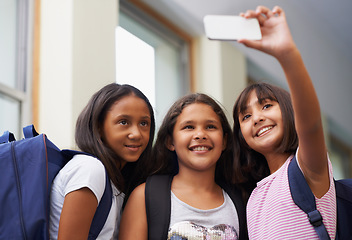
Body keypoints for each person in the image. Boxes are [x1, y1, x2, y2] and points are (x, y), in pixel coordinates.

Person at [232, 6, 336, 239]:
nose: (257, 118)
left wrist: (287, 54)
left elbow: (311, 126)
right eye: (245, 117)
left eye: (267, 106)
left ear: (290, 113)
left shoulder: (306, 167)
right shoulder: (253, 198)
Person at [119, 93, 248, 239]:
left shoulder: (240, 199)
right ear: (170, 141)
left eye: (210, 127)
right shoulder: (145, 195)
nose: (200, 134)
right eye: (189, 127)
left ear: (224, 140)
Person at [49, 83, 155, 239]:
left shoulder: (115, 180)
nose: (136, 133)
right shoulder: (90, 169)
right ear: (98, 127)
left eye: (143, 123)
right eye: (124, 122)